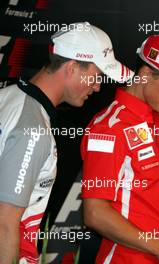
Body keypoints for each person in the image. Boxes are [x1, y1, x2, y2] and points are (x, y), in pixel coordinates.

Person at [0, 21, 133, 264]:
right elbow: (5, 225)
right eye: (96, 76)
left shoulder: (7, 97)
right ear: (72, 67)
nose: (97, 86)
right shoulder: (33, 128)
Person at [81, 35, 159, 264]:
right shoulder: (109, 127)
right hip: (125, 259)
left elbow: (133, 194)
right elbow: (95, 213)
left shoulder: (155, 121)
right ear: (145, 74)